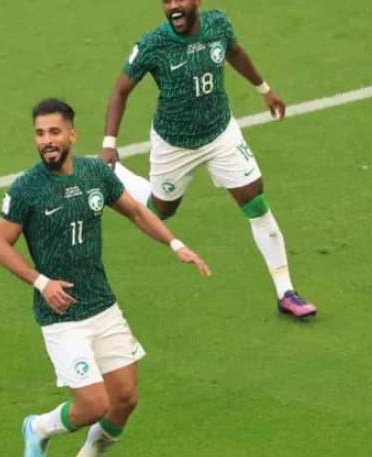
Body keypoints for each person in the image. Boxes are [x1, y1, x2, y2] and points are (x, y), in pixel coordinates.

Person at [0, 98, 209, 457]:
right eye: (40, 134)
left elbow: (137, 212)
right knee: (93, 404)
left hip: (102, 305)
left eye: (54, 132)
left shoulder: (95, 173)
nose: (47, 141)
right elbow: (0, 247)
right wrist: (42, 282)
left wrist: (176, 244)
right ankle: (38, 427)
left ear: (72, 134)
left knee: (124, 399)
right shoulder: (26, 189)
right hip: (62, 315)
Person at [100, 0, 317, 319]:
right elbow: (120, 90)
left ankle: (286, 292)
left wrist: (265, 89)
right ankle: (113, 173)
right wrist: (109, 144)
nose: (173, 6)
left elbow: (236, 52)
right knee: (161, 210)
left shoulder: (218, 26)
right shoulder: (153, 44)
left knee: (254, 200)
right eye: (167, 1)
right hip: (174, 144)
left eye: (180, 0)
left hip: (220, 133)